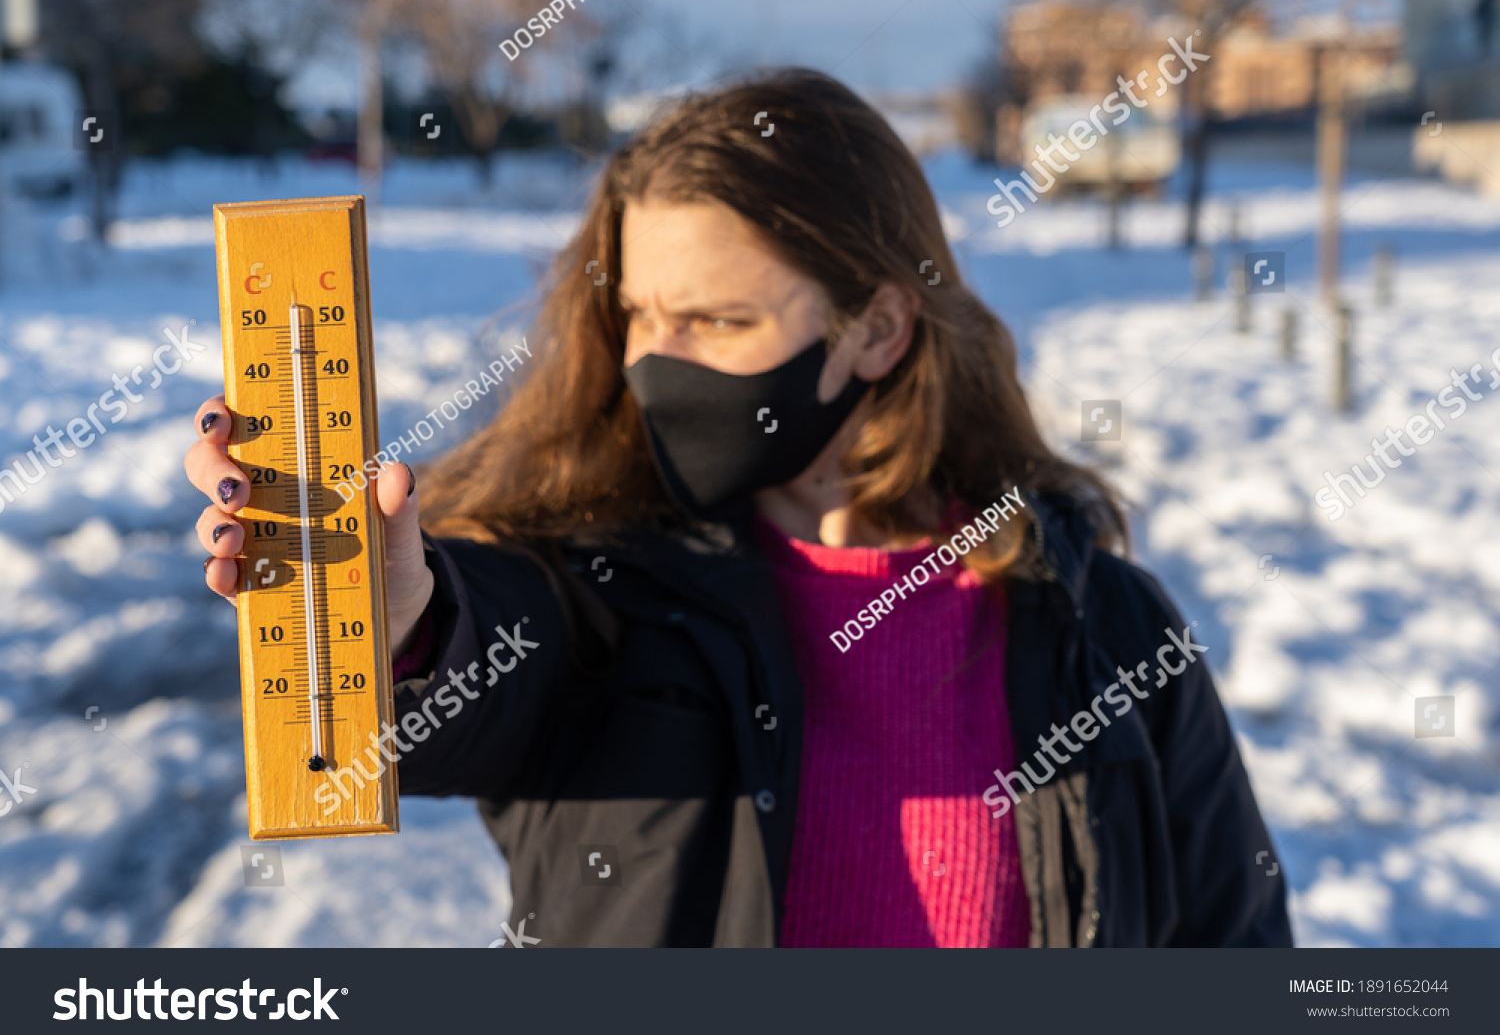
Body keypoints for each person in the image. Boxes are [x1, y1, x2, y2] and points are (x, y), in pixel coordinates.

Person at [185, 69, 1291, 948]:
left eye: (716, 321)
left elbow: (1236, 953)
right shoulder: (601, 600)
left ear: (877, 330)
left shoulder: (1109, 634)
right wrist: (401, 626)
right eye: (640, 316)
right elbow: (486, 668)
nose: (657, 364)